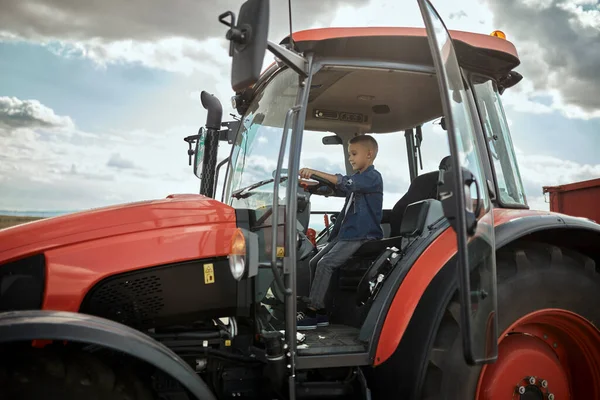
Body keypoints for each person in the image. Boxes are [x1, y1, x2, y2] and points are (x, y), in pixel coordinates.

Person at [296, 134, 384, 330]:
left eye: (354, 153)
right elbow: (337, 188)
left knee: (326, 263)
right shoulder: (359, 179)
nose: (351, 158)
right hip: (346, 234)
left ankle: (312, 310)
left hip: (362, 234)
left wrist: (315, 172)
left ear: (369, 154)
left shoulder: (372, 178)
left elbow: (345, 183)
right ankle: (321, 312)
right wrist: (312, 186)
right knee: (314, 261)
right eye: (349, 154)